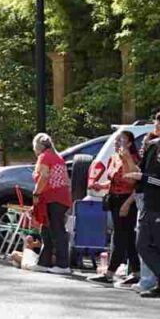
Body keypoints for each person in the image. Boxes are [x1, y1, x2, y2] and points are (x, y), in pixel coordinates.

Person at [86, 130, 142, 287]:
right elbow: (113, 181)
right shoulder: (113, 158)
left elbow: (134, 183)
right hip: (114, 199)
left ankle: (109, 273)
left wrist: (127, 203)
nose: (117, 143)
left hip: (127, 200)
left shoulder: (133, 159)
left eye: (121, 140)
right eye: (116, 140)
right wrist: (100, 186)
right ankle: (136, 273)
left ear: (130, 143)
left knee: (120, 238)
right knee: (129, 238)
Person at [31, 133, 73, 275]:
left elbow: (44, 176)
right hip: (61, 197)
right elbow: (66, 180)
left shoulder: (45, 157)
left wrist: (36, 193)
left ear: (38, 146)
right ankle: (44, 261)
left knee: (56, 230)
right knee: (47, 230)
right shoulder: (58, 157)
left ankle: (62, 264)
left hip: (53, 198)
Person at [128, 125, 160, 298]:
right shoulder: (153, 146)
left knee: (148, 244)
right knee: (143, 244)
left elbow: (157, 180)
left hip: (157, 207)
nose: (156, 128)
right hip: (148, 204)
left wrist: (143, 178)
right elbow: (143, 173)